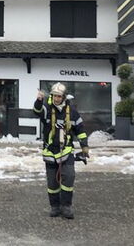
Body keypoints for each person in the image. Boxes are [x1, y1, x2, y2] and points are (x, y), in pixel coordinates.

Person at [33, 83, 89, 219]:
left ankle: (66, 206)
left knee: (69, 177)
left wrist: (84, 146)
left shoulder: (72, 112)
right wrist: (39, 101)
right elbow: (36, 111)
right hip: (50, 152)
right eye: (55, 96)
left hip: (66, 151)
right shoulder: (46, 108)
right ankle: (55, 207)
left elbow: (80, 129)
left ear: (64, 97)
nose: (57, 99)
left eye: (59, 96)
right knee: (52, 183)